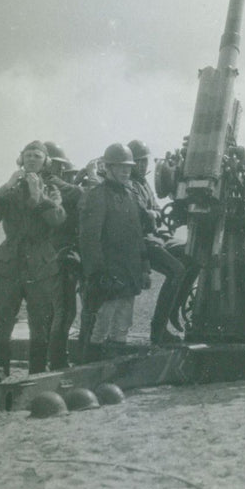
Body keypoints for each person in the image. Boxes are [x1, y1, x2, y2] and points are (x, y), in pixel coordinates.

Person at [0, 140, 65, 376]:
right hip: (10, 263)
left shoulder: (51, 190)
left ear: (45, 162)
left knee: (40, 322)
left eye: (37, 156)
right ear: (21, 159)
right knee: (2, 321)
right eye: (27, 155)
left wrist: (39, 197)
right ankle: (0, 373)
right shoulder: (11, 189)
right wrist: (5, 187)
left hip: (40, 264)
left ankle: (36, 375)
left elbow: (58, 219)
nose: (31, 159)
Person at [79, 142, 151, 353]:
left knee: (122, 325)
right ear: (108, 168)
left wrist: (144, 268)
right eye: (120, 167)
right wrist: (98, 273)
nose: (125, 171)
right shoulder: (97, 195)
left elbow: (138, 236)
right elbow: (89, 239)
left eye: (128, 167)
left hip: (128, 272)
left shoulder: (130, 195)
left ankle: (112, 373)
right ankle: (90, 368)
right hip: (108, 274)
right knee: (99, 326)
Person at [127, 138, 185, 346]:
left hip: (157, 237)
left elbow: (156, 211)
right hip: (142, 241)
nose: (143, 166)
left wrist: (155, 214)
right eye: (138, 161)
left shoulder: (143, 183)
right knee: (177, 271)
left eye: (145, 161)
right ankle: (158, 330)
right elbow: (145, 214)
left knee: (192, 256)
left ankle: (174, 308)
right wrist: (153, 214)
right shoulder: (130, 185)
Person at [43, 142, 83, 370]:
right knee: (65, 310)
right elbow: (79, 194)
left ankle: (55, 357)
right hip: (59, 255)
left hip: (52, 256)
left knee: (56, 310)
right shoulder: (50, 183)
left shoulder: (45, 184)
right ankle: (58, 360)